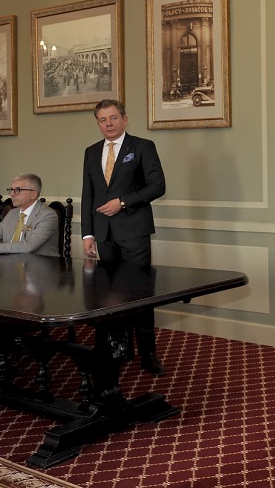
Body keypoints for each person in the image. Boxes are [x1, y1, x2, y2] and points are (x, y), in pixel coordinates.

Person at [81, 99, 167, 375]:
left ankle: (148, 354)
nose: (108, 124)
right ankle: (120, 349)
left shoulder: (142, 147)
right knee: (110, 295)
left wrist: (123, 202)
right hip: (103, 234)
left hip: (134, 232)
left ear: (125, 119)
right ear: (98, 123)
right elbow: (88, 195)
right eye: (102, 120)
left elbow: (158, 186)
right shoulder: (91, 152)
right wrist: (87, 234)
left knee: (139, 295)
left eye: (113, 118)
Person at [0, 173, 60, 257]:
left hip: (39, 269)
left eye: (17, 190)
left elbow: (29, 246)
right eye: (11, 190)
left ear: (33, 194)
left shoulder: (48, 215)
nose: (11, 194)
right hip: (9, 265)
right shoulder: (12, 213)